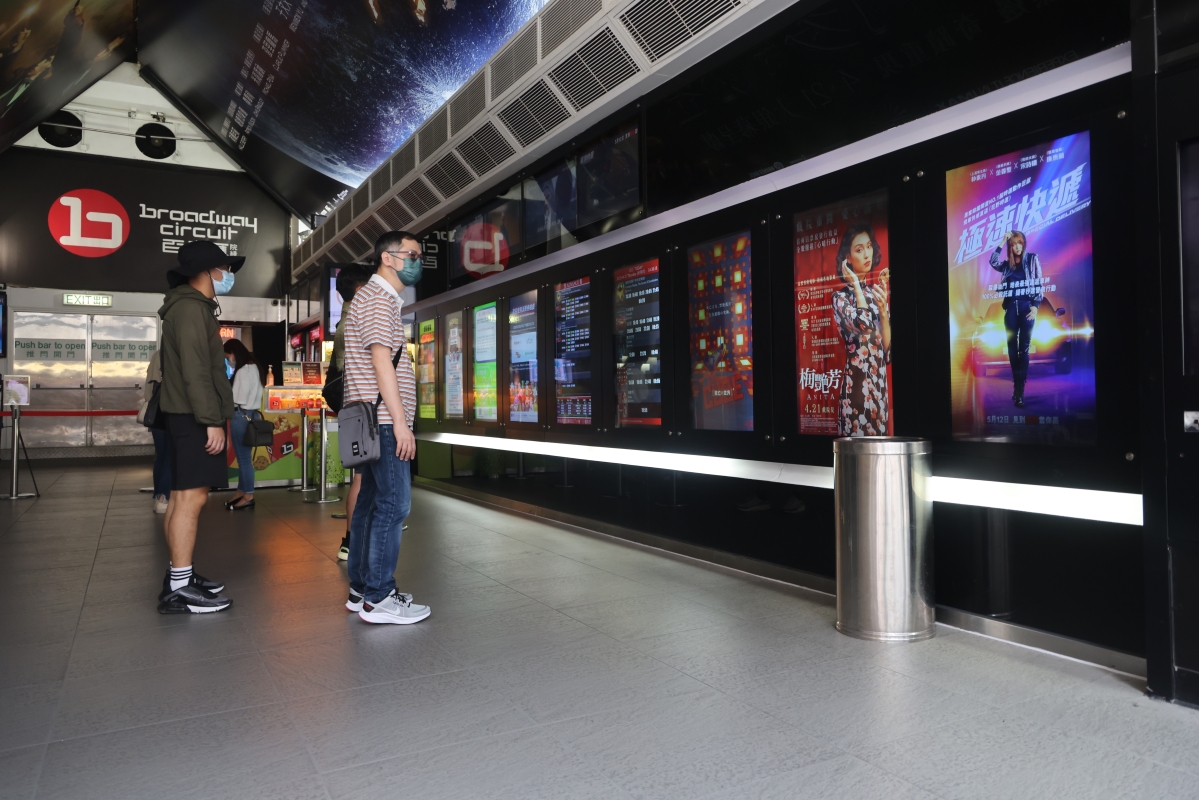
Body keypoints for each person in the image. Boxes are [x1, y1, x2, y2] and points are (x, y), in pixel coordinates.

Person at [342, 231, 430, 624]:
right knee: (394, 505)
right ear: (388, 258)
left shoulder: (371, 298)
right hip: (383, 422)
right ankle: (379, 598)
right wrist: (400, 423)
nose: (417, 261)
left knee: (369, 503)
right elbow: (381, 364)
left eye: (420, 255)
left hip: (370, 421)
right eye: (412, 254)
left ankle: (362, 588)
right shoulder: (379, 300)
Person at [155, 240, 239, 614]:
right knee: (192, 499)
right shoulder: (191, 309)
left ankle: (180, 575)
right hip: (193, 416)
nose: (228, 275)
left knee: (180, 497)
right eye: (225, 268)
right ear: (208, 271)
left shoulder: (189, 306)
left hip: (184, 415)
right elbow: (196, 372)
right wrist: (211, 421)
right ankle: (180, 588)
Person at [831, 222, 891, 436]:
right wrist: (856, 284)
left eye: (869, 246)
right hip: (856, 390)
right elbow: (863, 324)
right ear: (847, 258)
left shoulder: (876, 294)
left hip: (879, 389)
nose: (867, 254)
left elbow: (887, 352)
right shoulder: (840, 298)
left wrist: (883, 312)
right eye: (859, 249)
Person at [330, 264, 372, 560]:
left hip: (355, 410)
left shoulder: (346, 321)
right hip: (364, 410)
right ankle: (352, 540)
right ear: (360, 289)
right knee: (362, 479)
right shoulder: (356, 322)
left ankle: (352, 540)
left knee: (361, 478)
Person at [990, 230, 1043, 408]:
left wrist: (1035, 306)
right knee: (1012, 350)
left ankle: (1020, 391)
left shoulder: (1032, 259)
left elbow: (1039, 283)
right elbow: (993, 262)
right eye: (1013, 244)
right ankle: (1016, 385)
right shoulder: (1007, 265)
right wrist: (1002, 241)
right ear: (1010, 247)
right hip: (1011, 309)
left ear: (1024, 244)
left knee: (1024, 350)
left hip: (1027, 308)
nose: (1017, 247)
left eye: (1019, 243)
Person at [223, 338, 265, 510]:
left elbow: (239, 398)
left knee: (244, 460)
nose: (228, 361)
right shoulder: (255, 367)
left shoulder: (243, 371)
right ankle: (241, 492)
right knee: (244, 458)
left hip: (241, 415)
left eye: (228, 357)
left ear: (234, 354)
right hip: (251, 415)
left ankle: (248, 495)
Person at [141, 350, 171, 514]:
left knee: (161, 455)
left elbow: (148, 391)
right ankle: (164, 498)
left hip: (155, 414)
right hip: (171, 413)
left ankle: (158, 495)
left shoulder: (156, 355)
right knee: (170, 457)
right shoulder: (175, 354)